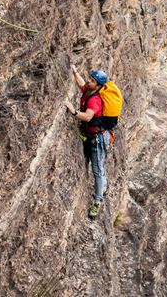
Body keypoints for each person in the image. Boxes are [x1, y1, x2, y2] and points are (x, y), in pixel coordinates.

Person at [63, 64, 111, 218]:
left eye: (92, 80)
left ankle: (98, 201)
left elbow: (88, 116)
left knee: (97, 169)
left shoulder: (94, 101)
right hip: (95, 136)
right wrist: (75, 71)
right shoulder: (89, 91)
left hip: (97, 139)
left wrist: (73, 111)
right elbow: (81, 83)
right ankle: (103, 187)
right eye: (90, 79)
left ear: (97, 85)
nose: (89, 81)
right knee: (100, 164)